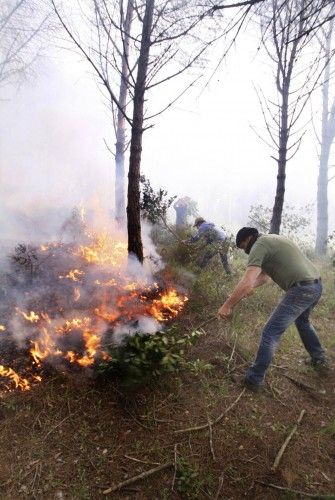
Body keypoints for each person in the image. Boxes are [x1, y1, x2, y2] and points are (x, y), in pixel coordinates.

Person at [218, 227, 328, 392]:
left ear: (248, 239)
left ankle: (254, 379)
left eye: (242, 246)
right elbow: (264, 277)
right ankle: (319, 358)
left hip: (301, 289)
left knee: (270, 332)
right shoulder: (273, 239)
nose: (245, 250)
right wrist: (248, 288)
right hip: (315, 285)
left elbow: (247, 280)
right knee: (302, 321)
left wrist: (227, 305)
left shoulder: (258, 245)